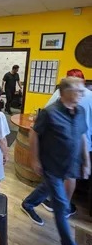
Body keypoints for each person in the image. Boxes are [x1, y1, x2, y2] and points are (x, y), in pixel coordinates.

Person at [20, 77, 90, 245]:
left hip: (71, 164)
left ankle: (28, 203)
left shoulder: (80, 110)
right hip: (52, 164)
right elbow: (34, 134)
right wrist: (35, 159)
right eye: (79, 90)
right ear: (66, 91)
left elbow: (82, 135)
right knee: (60, 204)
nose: (83, 94)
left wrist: (86, 161)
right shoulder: (49, 112)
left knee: (47, 188)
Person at [41, 69, 92, 216]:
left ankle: (56, 203)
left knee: (59, 174)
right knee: (70, 176)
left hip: (62, 141)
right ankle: (64, 206)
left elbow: (46, 110)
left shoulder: (61, 93)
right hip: (84, 143)